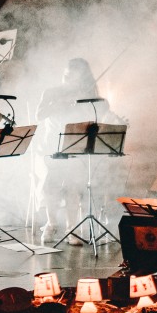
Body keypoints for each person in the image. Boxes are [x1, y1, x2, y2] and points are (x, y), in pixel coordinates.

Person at [35, 57, 102, 244]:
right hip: (51, 146)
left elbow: (95, 116)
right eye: (67, 75)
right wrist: (57, 104)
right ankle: (51, 223)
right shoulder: (51, 92)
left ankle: (73, 229)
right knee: (51, 186)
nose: (69, 80)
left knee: (73, 186)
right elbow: (39, 115)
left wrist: (83, 103)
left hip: (74, 144)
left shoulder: (84, 94)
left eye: (74, 76)